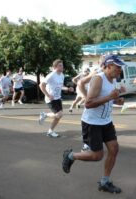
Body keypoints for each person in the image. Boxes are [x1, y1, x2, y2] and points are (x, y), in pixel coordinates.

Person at [62, 54, 126, 194]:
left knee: (114, 149)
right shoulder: (98, 79)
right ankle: (70, 156)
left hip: (106, 121)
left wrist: (116, 101)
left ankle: (105, 182)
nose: (120, 70)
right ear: (108, 66)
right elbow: (89, 103)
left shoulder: (113, 80)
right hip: (92, 123)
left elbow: (105, 98)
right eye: (117, 67)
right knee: (97, 155)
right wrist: (110, 97)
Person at [38, 59, 74, 138]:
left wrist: (67, 89)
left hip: (58, 98)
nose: (62, 67)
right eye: (60, 65)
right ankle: (44, 115)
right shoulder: (51, 75)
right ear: (55, 67)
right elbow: (41, 85)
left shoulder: (62, 75)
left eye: (62, 65)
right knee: (59, 114)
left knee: (59, 116)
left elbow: (60, 86)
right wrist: (48, 95)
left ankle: (50, 131)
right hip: (51, 99)